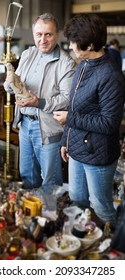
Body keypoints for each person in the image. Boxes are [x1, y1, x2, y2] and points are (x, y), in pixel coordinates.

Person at [60, 13, 125, 229]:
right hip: (77, 147)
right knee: (77, 200)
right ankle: (83, 243)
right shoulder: (83, 64)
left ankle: (115, 251)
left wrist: (70, 119)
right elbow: (75, 106)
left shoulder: (110, 74)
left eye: (74, 43)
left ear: (89, 45)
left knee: (101, 205)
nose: (70, 46)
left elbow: (109, 123)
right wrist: (65, 140)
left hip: (99, 154)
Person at [4, 13, 76, 195]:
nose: (42, 40)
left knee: (50, 180)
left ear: (57, 35)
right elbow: (15, 84)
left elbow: (68, 99)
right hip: (25, 124)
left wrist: (40, 102)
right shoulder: (28, 54)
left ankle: (50, 218)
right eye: (38, 34)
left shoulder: (66, 63)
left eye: (48, 34)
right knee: (27, 175)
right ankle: (31, 217)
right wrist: (9, 81)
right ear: (33, 34)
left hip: (47, 129)